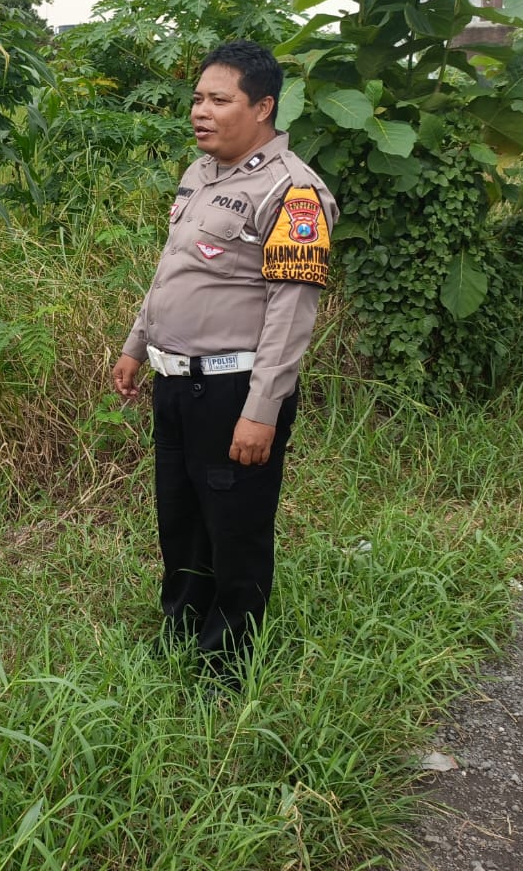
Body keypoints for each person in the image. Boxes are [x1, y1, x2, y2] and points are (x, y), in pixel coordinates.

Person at [111, 39, 337, 687]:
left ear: (263, 106)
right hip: (174, 381)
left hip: (234, 390)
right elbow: (170, 271)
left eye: (219, 99)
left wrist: (261, 411)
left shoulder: (295, 194)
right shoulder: (198, 175)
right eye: (197, 98)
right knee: (179, 517)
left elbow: (291, 314)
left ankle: (228, 667)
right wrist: (135, 346)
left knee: (235, 530)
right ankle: (182, 628)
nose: (199, 112)